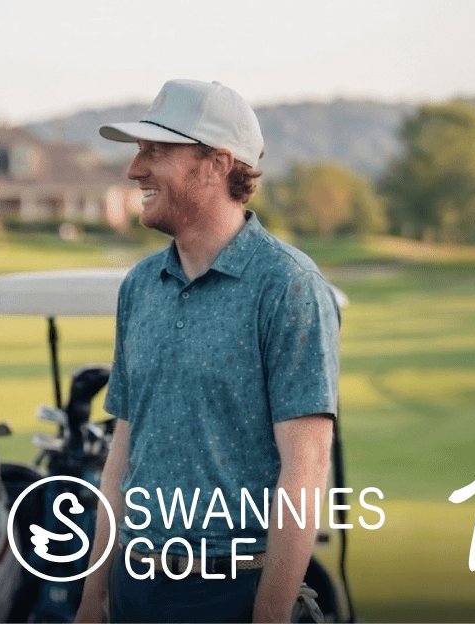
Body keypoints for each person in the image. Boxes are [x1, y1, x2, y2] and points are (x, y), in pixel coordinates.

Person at [73, 80, 341, 622]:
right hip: (135, 586)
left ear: (217, 163)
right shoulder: (139, 286)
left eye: (156, 152)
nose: (134, 170)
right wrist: (91, 597)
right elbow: (120, 458)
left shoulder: (287, 285)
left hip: (235, 592)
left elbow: (305, 472)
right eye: (137, 152)